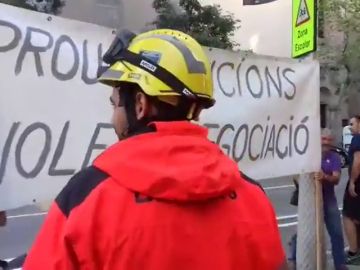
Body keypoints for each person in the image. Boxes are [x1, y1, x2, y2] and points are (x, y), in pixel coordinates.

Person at [23, 29, 287, 270]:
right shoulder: (254, 197)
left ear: (140, 104)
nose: (113, 117)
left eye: (114, 104)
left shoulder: (87, 198)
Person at [314, 129, 347, 270]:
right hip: (311, 202)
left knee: (337, 233)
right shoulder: (309, 157)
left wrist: (324, 177)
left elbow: (336, 178)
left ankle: (340, 265)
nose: (326, 142)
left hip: (328, 199)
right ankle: (295, 259)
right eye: (323, 139)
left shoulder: (334, 157)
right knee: (307, 234)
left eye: (328, 139)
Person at [343, 115, 360, 264]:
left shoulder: (357, 139)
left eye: (352, 124)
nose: (350, 127)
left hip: (358, 181)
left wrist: (352, 182)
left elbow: (357, 162)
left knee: (348, 215)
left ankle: (354, 251)